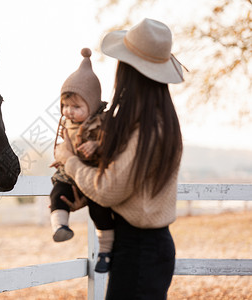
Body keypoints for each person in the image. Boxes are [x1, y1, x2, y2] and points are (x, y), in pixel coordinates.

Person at [54, 18, 185, 299]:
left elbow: (108, 188)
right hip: (145, 246)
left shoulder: (147, 130)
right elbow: (127, 187)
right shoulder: (157, 121)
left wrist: (70, 160)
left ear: (130, 72)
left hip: (140, 249)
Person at [49, 48, 115, 273]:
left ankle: (106, 250)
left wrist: (97, 145)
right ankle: (60, 226)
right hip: (70, 174)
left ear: (93, 105)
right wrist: (60, 157)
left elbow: (112, 142)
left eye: (76, 107)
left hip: (92, 174)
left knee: (99, 211)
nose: (69, 111)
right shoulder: (66, 125)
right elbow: (62, 147)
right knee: (57, 193)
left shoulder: (101, 122)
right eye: (65, 106)